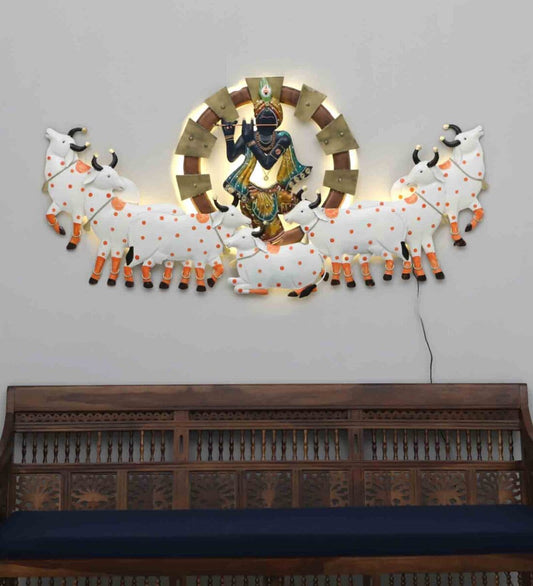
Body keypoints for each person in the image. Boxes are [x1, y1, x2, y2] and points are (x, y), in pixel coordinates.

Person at [222, 78, 312, 242]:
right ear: (256, 119)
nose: (265, 118)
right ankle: (258, 247)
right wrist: (229, 136)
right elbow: (231, 156)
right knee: (256, 228)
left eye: (270, 116)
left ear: (278, 120)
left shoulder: (282, 137)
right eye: (262, 116)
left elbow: (267, 163)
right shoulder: (250, 135)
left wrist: (250, 141)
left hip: (277, 191)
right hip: (251, 191)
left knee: (282, 221)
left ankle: (279, 246)